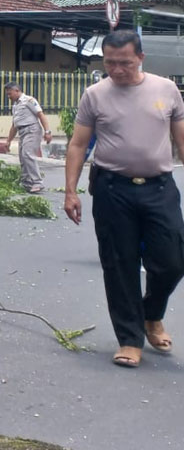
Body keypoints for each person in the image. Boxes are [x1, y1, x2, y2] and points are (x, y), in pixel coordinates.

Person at [63, 30, 184, 370]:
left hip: (159, 187)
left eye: (125, 63)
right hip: (112, 189)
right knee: (119, 264)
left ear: (141, 58)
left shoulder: (166, 89)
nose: (116, 70)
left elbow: (182, 141)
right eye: (110, 63)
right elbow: (77, 144)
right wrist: (70, 191)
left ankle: (152, 314)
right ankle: (130, 339)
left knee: (173, 259)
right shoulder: (95, 95)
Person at [4, 82, 53, 193]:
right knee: (22, 157)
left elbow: (41, 115)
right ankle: (26, 182)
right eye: (7, 94)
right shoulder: (15, 105)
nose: (8, 96)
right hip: (22, 132)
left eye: (10, 93)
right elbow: (14, 125)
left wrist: (47, 131)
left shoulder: (29, 100)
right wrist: (8, 141)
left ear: (17, 91)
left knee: (27, 154)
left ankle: (37, 182)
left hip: (32, 130)